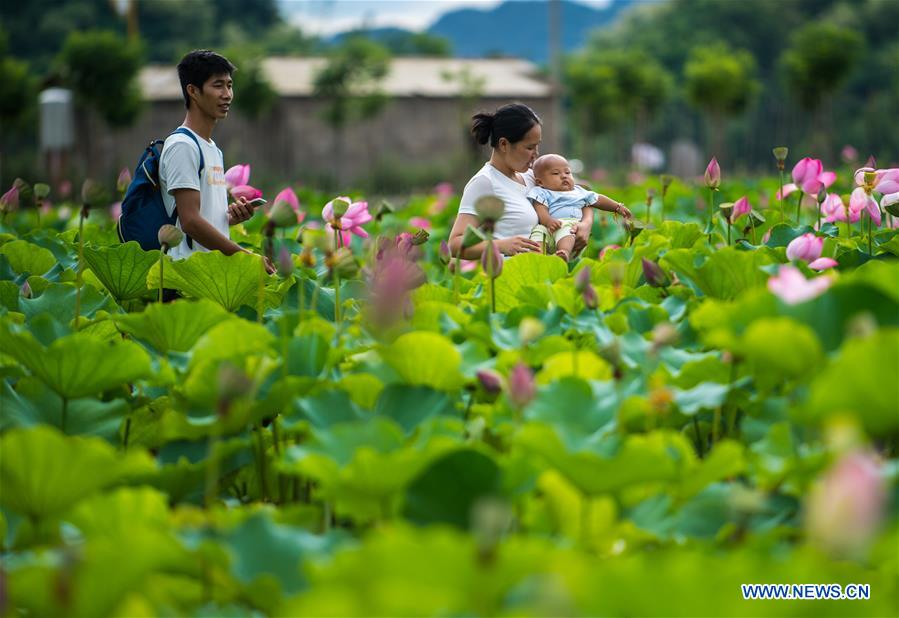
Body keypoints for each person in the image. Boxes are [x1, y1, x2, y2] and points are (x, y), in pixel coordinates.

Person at [159, 49, 274, 275]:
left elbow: (201, 218)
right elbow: (190, 222)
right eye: (218, 85)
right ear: (192, 91)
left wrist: (230, 218)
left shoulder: (212, 149)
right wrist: (245, 257)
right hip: (186, 274)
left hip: (211, 273)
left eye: (229, 85)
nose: (227, 94)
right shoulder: (183, 145)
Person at [449, 103, 588, 258]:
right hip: (508, 277)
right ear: (504, 144)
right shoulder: (485, 182)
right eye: (529, 148)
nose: (536, 154)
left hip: (542, 275)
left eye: (537, 146)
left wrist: (585, 224)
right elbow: (454, 244)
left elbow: (582, 195)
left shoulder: (533, 177)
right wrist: (500, 245)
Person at [528, 153, 632, 261]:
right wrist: (548, 221)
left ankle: (563, 253)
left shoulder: (579, 191)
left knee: (568, 231)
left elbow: (598, 199)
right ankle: (536, 257)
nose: (564, 176)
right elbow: (540, 208)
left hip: (570, 224)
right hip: (548, 226)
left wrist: (617, 207)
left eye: (567, 172)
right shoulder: (541, 192)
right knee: (538, 232)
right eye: (555, 173)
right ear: (540, 182)